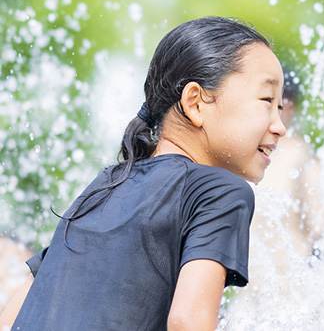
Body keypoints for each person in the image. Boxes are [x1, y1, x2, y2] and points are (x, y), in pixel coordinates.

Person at [0, 16, 287, 331]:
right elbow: (188, 323)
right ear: (196, 103)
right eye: (266, 101)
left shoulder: (105, 185)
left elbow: (12, 316)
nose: (280, 127)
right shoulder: (219, 191)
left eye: (280, 109)